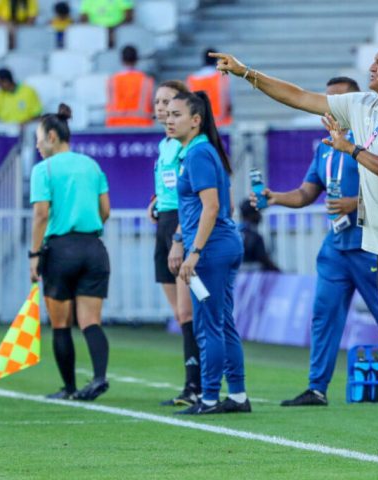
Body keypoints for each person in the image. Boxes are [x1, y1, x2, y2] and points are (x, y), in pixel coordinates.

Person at [210, 36, 378, 458]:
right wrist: (246, 73)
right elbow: (299, 97)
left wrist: (354, 149)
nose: (371, 67)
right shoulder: (364, 105)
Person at [251, 76, 378, 407]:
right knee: (324, 314)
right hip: (336, 247)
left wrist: (355, 204)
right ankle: (316, 388)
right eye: (328, 99)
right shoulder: (324, 148)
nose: (331, 106)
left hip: (370, 244)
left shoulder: (372, 141)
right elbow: (306, 193)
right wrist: (275, 197)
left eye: (339, 99)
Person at [166, 91, 249, 415]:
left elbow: (211, 206)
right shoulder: (203, 151)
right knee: (223, 322)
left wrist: (194, 251)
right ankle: (238, 395)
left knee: (209, 325)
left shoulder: (198, 154)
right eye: (168, 114)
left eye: (176, 114)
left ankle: (210, 397)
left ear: (196, 120)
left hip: (212, 248)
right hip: (222, 244)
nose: (169, 120)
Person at [29, 104, 112, 401]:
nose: (37, 145)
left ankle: (69, 387)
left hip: (60, 250)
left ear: (52, 136)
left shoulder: (44, 169)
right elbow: (106, 211)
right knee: (91, 321)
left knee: (61, 323)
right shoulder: (91, 165)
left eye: (39, 139)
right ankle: (99, 377)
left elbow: (41, 214)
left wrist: (34, 254)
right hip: (93, 247)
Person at [146, 80, 201, 407]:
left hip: (181, 224)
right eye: (157, 102)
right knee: (179, 314)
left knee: (187, 310)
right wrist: (154, 200)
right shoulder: (165, 144)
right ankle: (193, 382)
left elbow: (191, 193)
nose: (161, 108)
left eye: (167, 102)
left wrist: (180, 235)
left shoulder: (188, 145)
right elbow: (169, 187)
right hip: (165, 222)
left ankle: (196, 384)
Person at [106, 45, 154, 128]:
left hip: (116, 129)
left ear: (121, 60)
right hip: (142, 129)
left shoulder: (112, 81)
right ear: (137, 60)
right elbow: (153, 104)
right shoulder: (146, 81)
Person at [187, 49, 232, 128]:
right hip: (218, 122)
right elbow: (226, 100)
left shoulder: (191, 79)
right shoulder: (221, 77)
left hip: (199, 123)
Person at [238, 199, 280, 272]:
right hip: (252, 276)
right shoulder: (254, 236)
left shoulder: (235, 232)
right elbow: (264, 260)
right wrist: (280, 272)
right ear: (251, 214)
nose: (260, 216)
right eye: (258, 213)